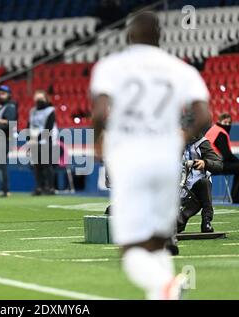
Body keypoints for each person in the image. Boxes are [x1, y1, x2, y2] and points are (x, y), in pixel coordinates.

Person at [90, 11, 210, 299]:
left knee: (131, 250)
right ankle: (163, 292)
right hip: (166, 159)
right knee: (158, 241)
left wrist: (97, 142)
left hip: (130, 158)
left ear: (129, 35)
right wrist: (179, 138)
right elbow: (204, 115)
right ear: (160, 36)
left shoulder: (111, 66)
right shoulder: (180, 69)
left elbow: (98, 112)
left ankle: (165, 286)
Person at [177, 134, 223, 233]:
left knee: (204, 183)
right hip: (177, 189)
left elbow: (219, 164)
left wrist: (205, 163)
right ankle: (180, 219)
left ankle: (206, 220)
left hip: (196, 189)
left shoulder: (202, 143)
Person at [205, 113, 239, 204]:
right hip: (214, 165)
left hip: (206, 163)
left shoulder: (213, 130)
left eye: (229, 122)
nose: (227, 125)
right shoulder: (220, 133)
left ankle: (235, 196)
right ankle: (236, 197)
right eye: (225, 122)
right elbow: (227, 156)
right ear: (219, 121)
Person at [28, 90, 58, 196]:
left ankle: (50, 187)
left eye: (41, 98)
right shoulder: (32, 111)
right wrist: (29, 139)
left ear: (46, 99)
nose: (39, 101)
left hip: (46, 140)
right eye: (37, 98)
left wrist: (36, 138)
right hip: (34, 141)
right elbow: (29, 125)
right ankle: (39, 187)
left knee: (47, 165)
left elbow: (48, 128)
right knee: (37, 166)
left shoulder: (50, 110)